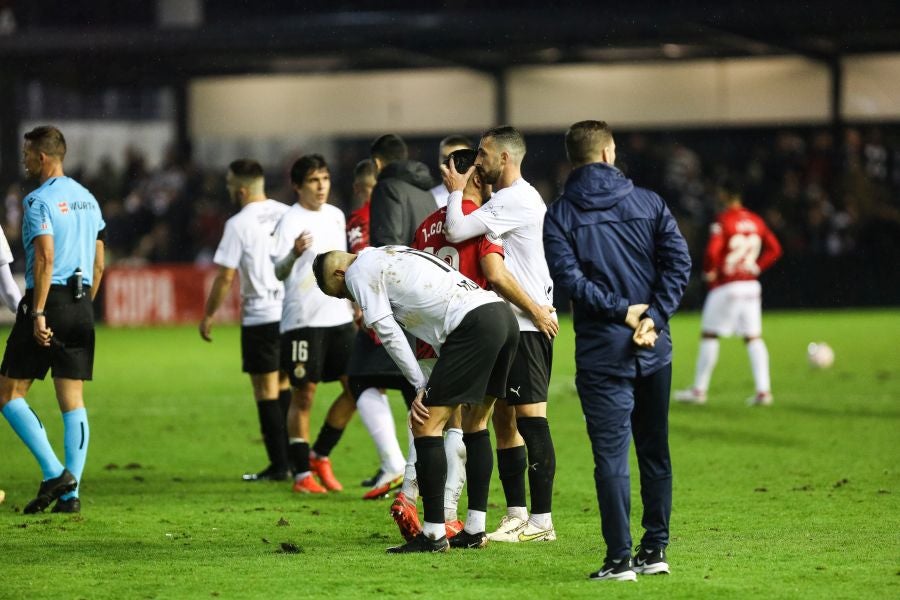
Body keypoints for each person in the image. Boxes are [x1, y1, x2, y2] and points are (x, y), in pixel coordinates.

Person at [543, 120, 691, 580]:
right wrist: (654, 318)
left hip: (602, 354)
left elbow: (570, 283)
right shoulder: (649, 202)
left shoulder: (560, 215)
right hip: (653, 349)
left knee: (610, 458)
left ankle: (619, 559)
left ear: (574, 159)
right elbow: (679, 264)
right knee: (655, 451)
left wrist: (624, 312)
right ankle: (656, 549)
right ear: (608, 152)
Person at [312, 246, 519, 553]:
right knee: (476, 424)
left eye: (343, 293)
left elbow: (387, 330)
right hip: (500, 316)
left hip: (472, 325)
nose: (351, 298)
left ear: (340, 273)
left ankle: (434, 534)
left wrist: (420, 383)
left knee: (424, 425)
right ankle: (475, 529)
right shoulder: (387, 252)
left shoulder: (357, 272)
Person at [442, 126, 560, 543]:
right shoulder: (505, 201)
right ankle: (517, 515)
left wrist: (456, 190)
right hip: (514, 322)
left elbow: (455, 231)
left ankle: (542, 523)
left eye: (485, 155)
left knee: (531, 420)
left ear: (506, 159)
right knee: (506, 420)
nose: (478, 162)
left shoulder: (515, 200)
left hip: (529, 322)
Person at [391, 147, 503, 544]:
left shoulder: (425, 227)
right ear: (473, 174)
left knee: (428, 419)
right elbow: (494, 274)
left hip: (427, 336)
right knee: (468, 423)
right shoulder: (484, 220)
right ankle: (450, 515)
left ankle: (409, 493)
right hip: (469, 332)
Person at [0, 125, 106, 514]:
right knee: (73, 401)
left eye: (28, 154)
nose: (24, 160)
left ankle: (54, 473)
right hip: (82, 304)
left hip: (50, 300)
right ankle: (70, 496)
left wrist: (41, 310)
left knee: (8, 393)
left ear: (42, 158)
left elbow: (44, 257)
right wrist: (83, 305)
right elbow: (98, 260)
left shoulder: (37, 201)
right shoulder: (88, 199)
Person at [199, 159, 292, 481]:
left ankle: (279, 466)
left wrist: (209, 314)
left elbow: (225, 276)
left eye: (228, 184)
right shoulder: (286, 213)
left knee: (265, 390)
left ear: (240, 189)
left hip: (261, 314)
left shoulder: (238, 224)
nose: (227, 189)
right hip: (291, 312)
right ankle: (294, 462)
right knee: (284, 383)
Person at [271, 154, 356, 494]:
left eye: (325, 179)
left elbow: (346, 266)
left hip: (339, 318)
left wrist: (355, 303)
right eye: (313, 181)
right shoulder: (289, 220)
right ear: (297, 186)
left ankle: (320, 454)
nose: (321, 186)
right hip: (304, 320)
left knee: (356, 389)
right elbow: (277, 272)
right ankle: (301, 474)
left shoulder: (336, 216)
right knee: (304, 396)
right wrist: (292, 253)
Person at [674, 178, 783, 406]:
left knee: (710, 335)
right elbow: (775, 249)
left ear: (724, 195)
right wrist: (756, 266)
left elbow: (712, 252)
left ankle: (699, 390)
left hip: (728, 285)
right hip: (751, 285)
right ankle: (764, 391)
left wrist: (709, 273)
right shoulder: (755, 220)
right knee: (753, 337)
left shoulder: (724, 221)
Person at [344, 158, 409, 498]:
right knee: (416, 389)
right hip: (416, 310)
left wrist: (360, 305)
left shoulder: (361, 218)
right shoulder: (411, 204)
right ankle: (416, 468)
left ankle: (396, 464)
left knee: (360, 378)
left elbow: (358, 261)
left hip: (381, 312)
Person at [369, 134, 435, 247]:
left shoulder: (386, 188)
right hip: (430, 263)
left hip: (404, 264)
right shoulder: (426, 191)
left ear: (377, 163)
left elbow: (387, 244)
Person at [428, 135, 472, 208]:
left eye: (459, 159)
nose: (450, 164)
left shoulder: (489, 199)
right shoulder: (429, 198)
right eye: (445, 158)